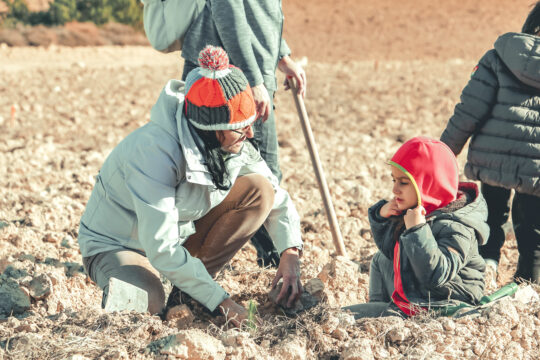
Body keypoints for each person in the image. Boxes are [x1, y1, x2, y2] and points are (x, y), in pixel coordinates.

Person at [77, 46, 303, 326]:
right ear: (210, 129)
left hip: (177, 231)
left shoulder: (228, 136)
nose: (250, 133)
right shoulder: (153, 152)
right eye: (241, 127)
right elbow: (160, 246)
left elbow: (275, 194)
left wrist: (290, 252)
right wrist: (223, 302)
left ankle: (187, 297)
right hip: (119, 244)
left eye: (250, 124)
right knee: (147, 303)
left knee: (259, 190)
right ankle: (141, 292)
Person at [181, 0, 307, 267]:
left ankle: (195, 262)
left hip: (246, 71)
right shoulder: (243, 79)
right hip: (227, 81)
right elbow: (229, 12)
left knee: (250, 170)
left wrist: (281, 56)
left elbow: (260, 10)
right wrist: (253, 79)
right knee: (254, 171)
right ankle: (273, 261)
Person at [440, 2, 540, 285]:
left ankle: (485, 269)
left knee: (490, 217)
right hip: (536, 166)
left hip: (493, 158)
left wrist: (446, 151)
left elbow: (470, 110)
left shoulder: (498, 57)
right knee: (533, 228)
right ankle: (527, 285)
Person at [344, 137, 489, 319]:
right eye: (394, 180)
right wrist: (382, 216)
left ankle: (383, 316)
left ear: (428, 184)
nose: (395, 190)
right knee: (381, 259)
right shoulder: (419, 210)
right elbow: (390, 250)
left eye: (403, 182)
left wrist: (417, 230)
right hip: (419, 292)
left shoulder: (457, 227)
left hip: (443, 302)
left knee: (343, 316)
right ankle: (378, 310)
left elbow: (436, 275)